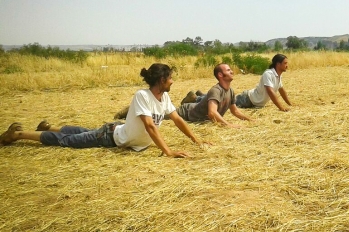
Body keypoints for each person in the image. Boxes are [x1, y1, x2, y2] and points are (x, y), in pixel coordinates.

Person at [0, 63, 211, 157]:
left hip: (117, 130)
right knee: (69, 141)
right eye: (171, 78)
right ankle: (18, 134)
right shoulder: (142, 96)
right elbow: (149, 126)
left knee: (82, 131)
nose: (173, 82)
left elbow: (177, 120)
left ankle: (49, 127)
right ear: (162, 79)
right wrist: (169, 152)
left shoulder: (164, 97)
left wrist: (197, 140)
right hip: (110, 136)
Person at [116, 63, 252, 129]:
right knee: (159, 115)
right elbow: (212, 113)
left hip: (193, 108)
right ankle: (129, 110)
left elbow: (235, 111)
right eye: (228, 70)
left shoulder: (231, 91)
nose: (232, 71)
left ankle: (193, 98)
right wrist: (229, 125)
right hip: (187, 113)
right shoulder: (215, 91)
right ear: (221, 75)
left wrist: (249, 120)